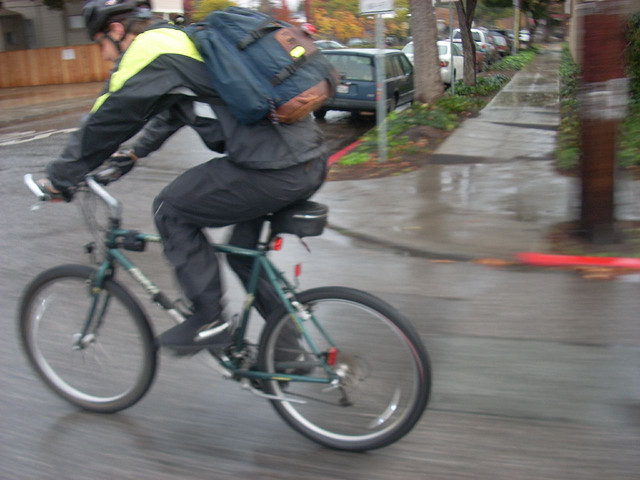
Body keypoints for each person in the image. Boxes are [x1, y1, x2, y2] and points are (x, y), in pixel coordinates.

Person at [39, 0, 328, 355]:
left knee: (170, 209)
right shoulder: (182, 39)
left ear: (116, 31)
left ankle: (210, 319)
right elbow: (176, 108)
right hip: (308, 160)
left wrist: (60, 178)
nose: (104, 56)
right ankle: (286, 354)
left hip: (272, 168)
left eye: (100, 44)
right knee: (242, 254)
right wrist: (135, 152)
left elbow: (106, 118)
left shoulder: (150, 47)